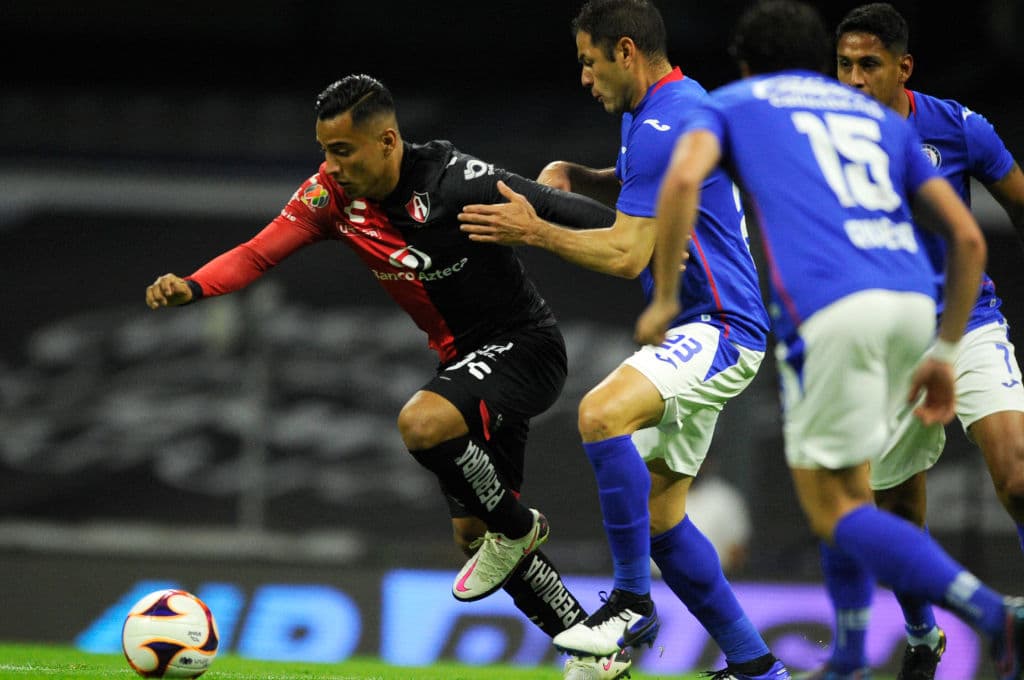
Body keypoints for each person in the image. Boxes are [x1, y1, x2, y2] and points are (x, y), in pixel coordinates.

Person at [144, 73, 633, 680]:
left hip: (526, 349)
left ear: (388, 142)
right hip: (464, 363)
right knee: (472, 538)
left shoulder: (456, 180)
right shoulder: (329, 198)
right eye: (325, 150)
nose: (331, 166)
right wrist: (194, 284)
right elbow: (257, 252)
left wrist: (645, 237)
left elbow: (560, 207)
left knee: (424, 424)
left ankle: (519, 528)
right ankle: (593, 653)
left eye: (343, 151)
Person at [633, 2, 1024, 680]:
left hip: (837, 308)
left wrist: (666, 296)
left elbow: (682, 179)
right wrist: (941, 349)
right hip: (914, 304)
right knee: (872, 495)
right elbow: (967, 236)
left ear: (747, 62)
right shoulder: (874, 122)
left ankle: (989, 610)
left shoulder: (736, 102)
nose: (852, 75)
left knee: (835, 505)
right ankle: (856, 657)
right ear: (820, 61)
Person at [459, 2, 789, 678]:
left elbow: (626, 256)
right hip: (714, 325)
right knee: (663, 524)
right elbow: (641, 187)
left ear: (627, 51)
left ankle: (631, 604)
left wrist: (533, 230)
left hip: (721, 324)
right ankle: (759, 669)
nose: (584, 77)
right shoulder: (655, 112)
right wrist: (581, 177)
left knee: (600, 412)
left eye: (588, 60)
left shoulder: (673, 120)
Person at [799, 4, 1024, 678]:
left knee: (1016, 474)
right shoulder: (824, 138)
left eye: (869, 65)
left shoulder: (956, 128)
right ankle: (924, 637)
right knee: (894, 504)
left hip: (968, 325)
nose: (855, 79)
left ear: (903, 68)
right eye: (844, 65)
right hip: (884, 342)